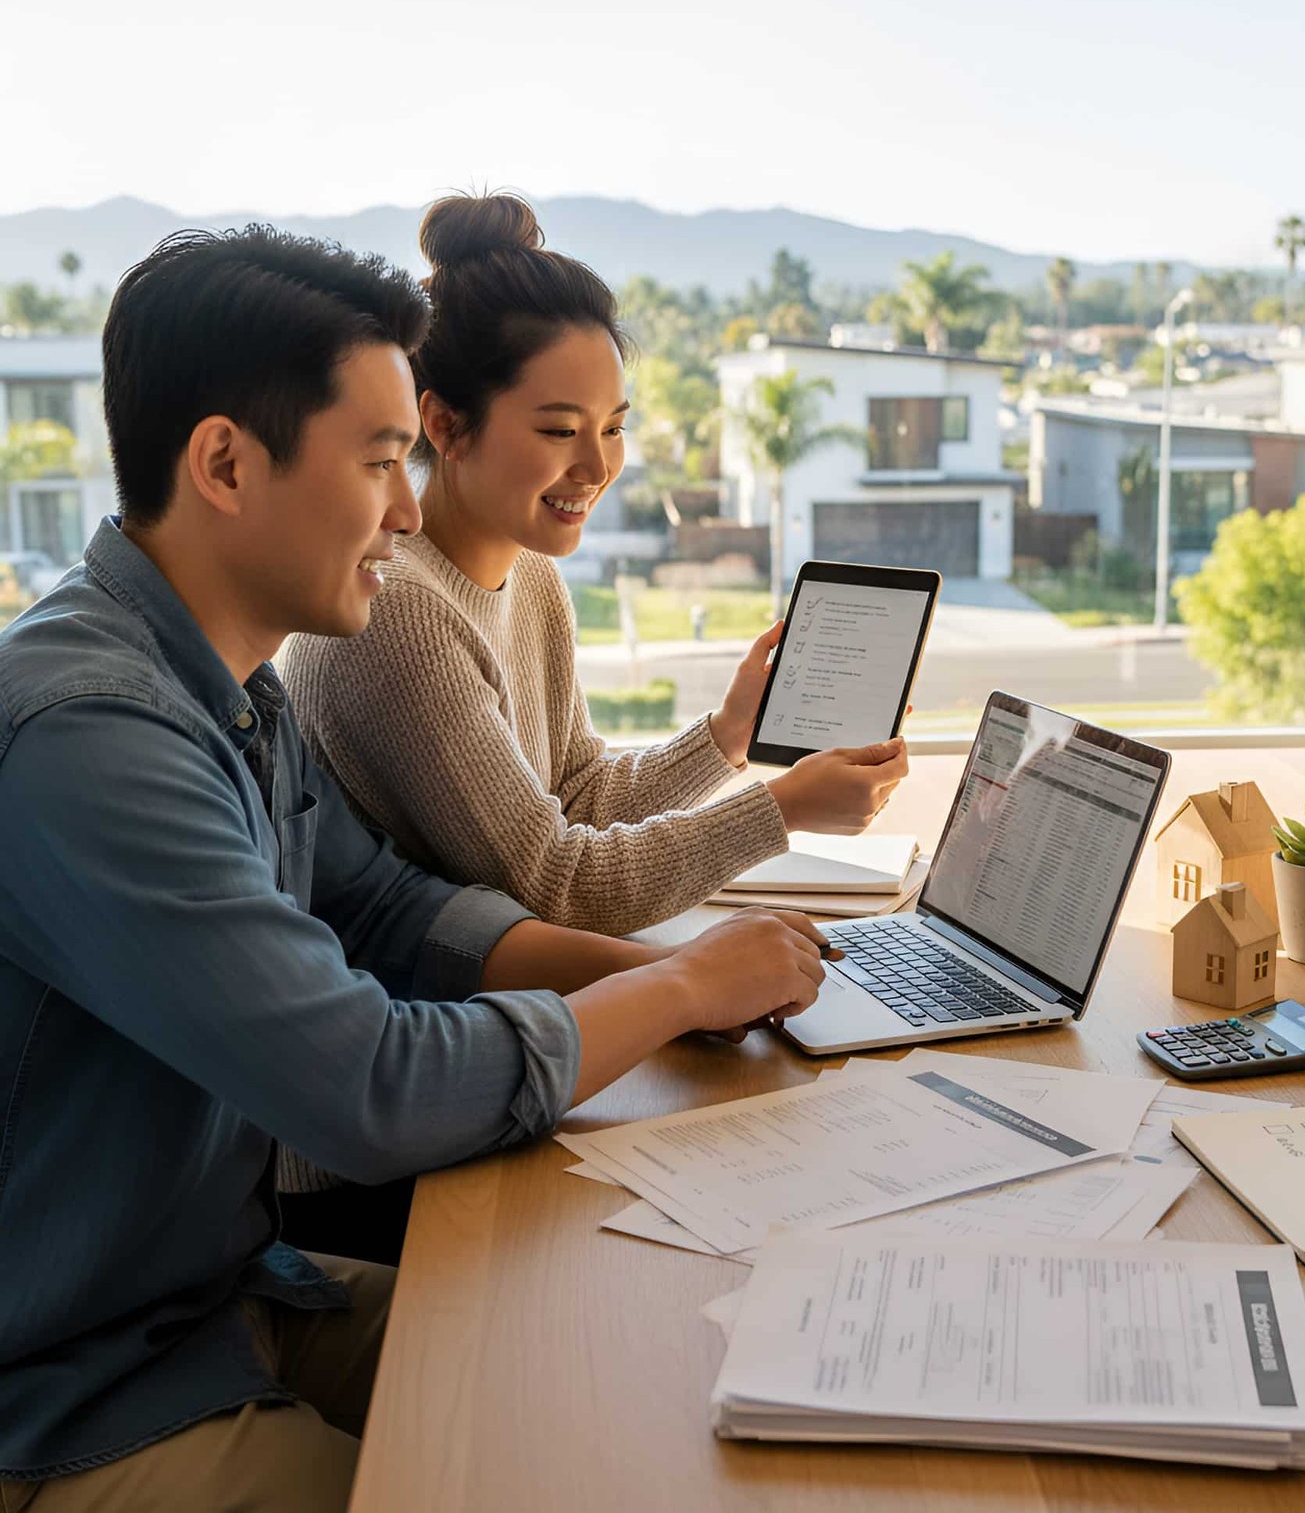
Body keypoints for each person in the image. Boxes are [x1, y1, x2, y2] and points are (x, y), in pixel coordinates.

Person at [0, 227, 828, 1513]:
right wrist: (667, 998)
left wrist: (686, 975)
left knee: (628, 1374)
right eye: (383, 459)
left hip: (219, 1298)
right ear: (225, 462)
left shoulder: (231, 691)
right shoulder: (91, 739)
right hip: (69, 1390)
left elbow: (393, 906)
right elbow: (369, 1085)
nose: (406, 504)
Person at [280, 192, 909, 949]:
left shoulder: (531, 576)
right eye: (559, 429)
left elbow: (575, 795)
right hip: (417, 1027)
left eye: (615, 427)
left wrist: (728, 736)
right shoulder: (399, 612)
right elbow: (557, 885)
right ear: (444, 423)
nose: (598, 465)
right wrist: (780, 812)